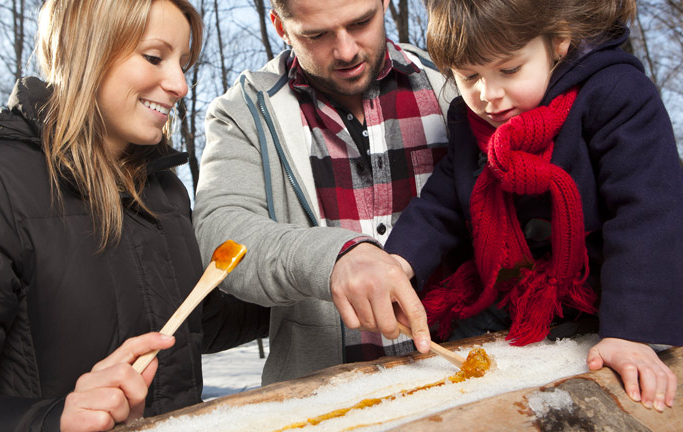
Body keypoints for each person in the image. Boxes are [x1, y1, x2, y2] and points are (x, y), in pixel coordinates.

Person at [0, 0, 268, 430]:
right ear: (89, 50)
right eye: (155, 57)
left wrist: (310, 282)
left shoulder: (164, 191)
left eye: (183, 63)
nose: (179, 84)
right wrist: (54, 420)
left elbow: (195, 321)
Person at [385, 0, 682, 414]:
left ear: (558, 42)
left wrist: (632, 331)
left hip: (601, 302)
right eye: (469, 76)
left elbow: (648, 212)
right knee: (448, 388)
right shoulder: (468, 123)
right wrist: (399, 262)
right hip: (508, 295)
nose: (488, 96)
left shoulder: (616, 94)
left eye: (509, 70)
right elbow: (442, 203)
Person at [193, 0, 456, 385]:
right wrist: (334, 259)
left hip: (460, 383)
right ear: (280, 27)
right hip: (325, 403)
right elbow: (222, 229)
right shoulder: (244, 111)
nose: (347, 51)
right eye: (317, 34)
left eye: (362, 22)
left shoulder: (453, 81)